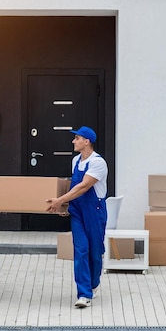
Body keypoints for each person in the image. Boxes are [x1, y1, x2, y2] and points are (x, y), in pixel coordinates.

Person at [47, 126, 108, 309]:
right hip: (78, 212)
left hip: (94, 211)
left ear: (86, 141)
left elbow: (83, 187)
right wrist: (66, 205)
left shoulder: (98, 163)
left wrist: (60, 200)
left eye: (77, 138)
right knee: (81, 250)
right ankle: (83, 293)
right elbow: (72, 187)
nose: (74, 141)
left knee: (95, 252)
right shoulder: (76, 161)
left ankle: (94, 282)